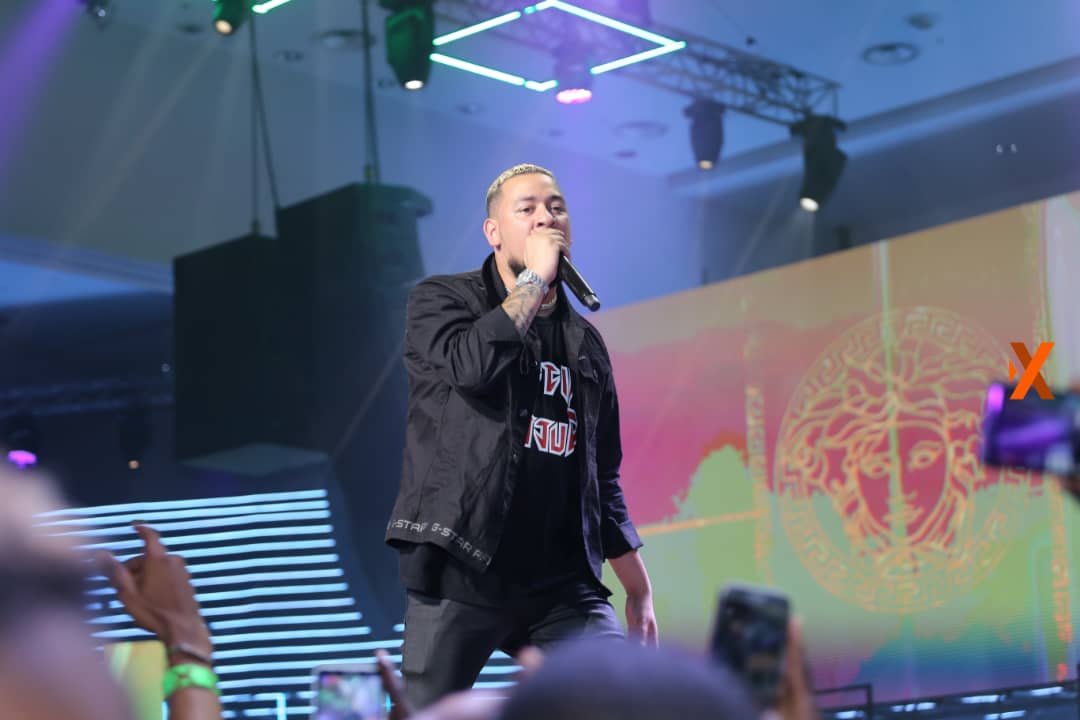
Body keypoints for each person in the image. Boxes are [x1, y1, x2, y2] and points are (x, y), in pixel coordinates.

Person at [385, 163, 657, 709]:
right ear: (494, 231)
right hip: (464, 563)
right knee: (423, 713)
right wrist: (533, 279)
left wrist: (638, 589)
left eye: (556, 207)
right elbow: (471, 369)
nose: (545, 219)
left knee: (624, 702)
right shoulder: (442, 300)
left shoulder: (586, 344)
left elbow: (601, 477)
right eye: (527, 209)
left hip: (561, 582)